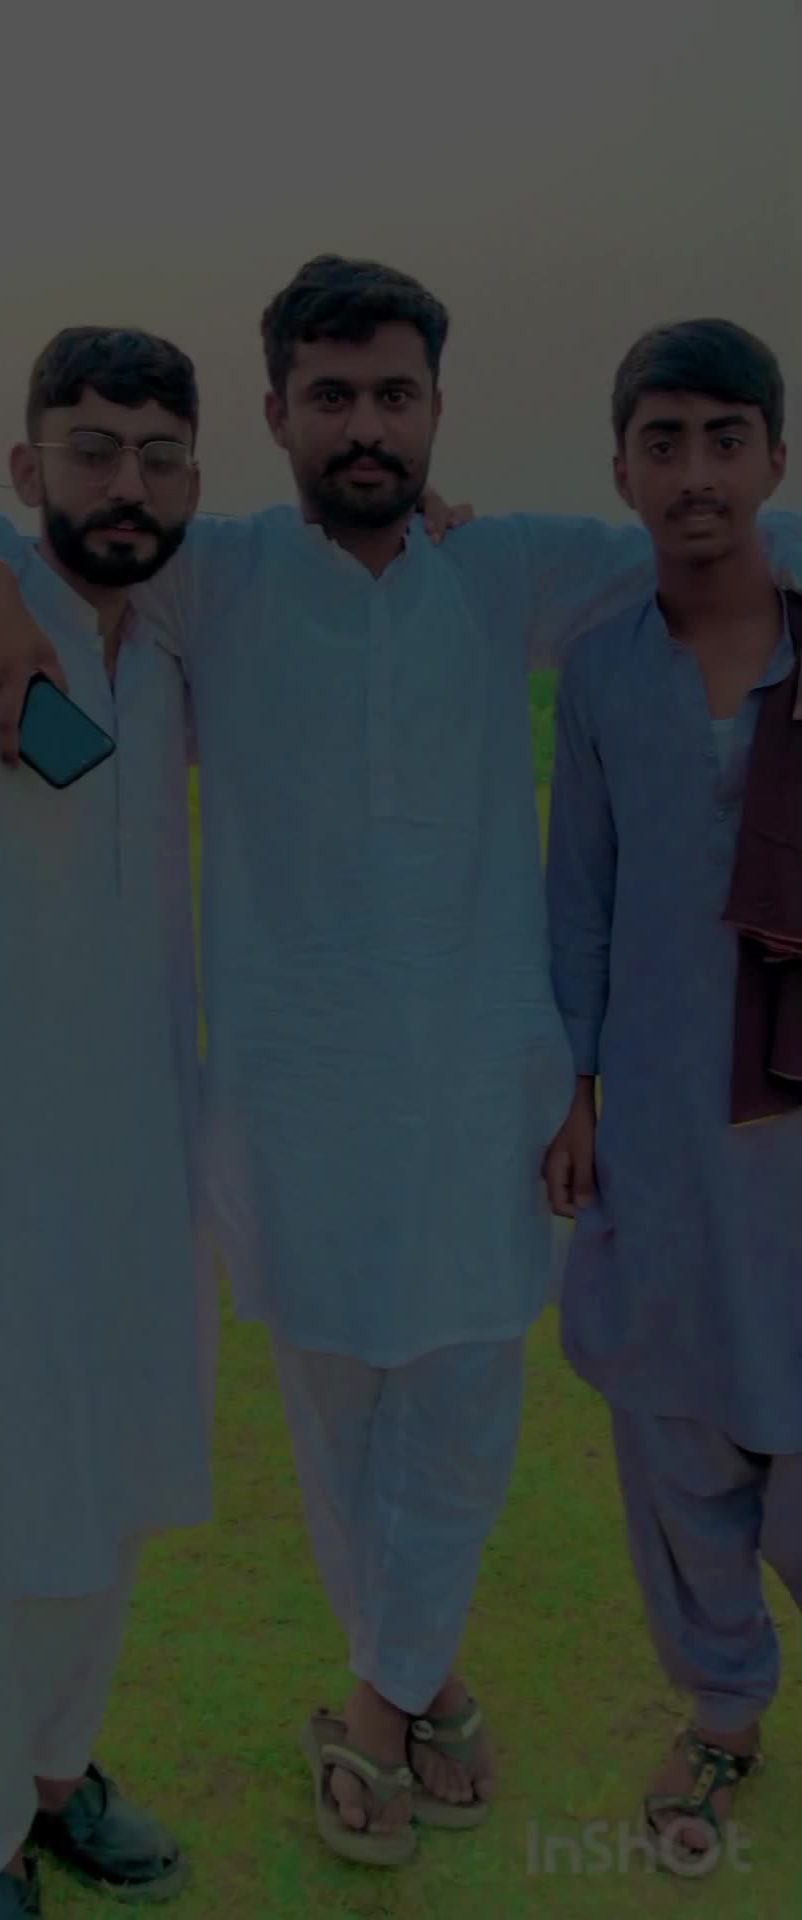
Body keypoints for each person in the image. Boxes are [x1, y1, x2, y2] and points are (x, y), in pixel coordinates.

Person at [0, 265, 801, 1873]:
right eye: (332, 397)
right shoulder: (215, 576)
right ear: (277, 414)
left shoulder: (509, 571)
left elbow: (722, 530)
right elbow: (54, 522)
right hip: (287, 1112)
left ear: (435, 411)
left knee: (463, 1418)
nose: (366, 427)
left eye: (394, 397)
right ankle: (420, 1679)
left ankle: (375, 1701)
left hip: (490, 1096)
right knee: (337, 1426)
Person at [0, 328, 221, 1917]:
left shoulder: (172, 641)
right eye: (92, 449)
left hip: (142, 1149)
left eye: (158, 456)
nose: (127, 485)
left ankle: (58, 1775)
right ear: (23, 466)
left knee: (114, 1472)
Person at [543, 318, 802, 1877]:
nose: (695, 472)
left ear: (774, 456)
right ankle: (722, 1712)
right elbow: (580, 897)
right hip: (653, 1109)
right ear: (624, 469)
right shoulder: (603, 673)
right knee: (674, 1420)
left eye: (724, 437)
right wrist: (573, 1086)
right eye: (664, 441)